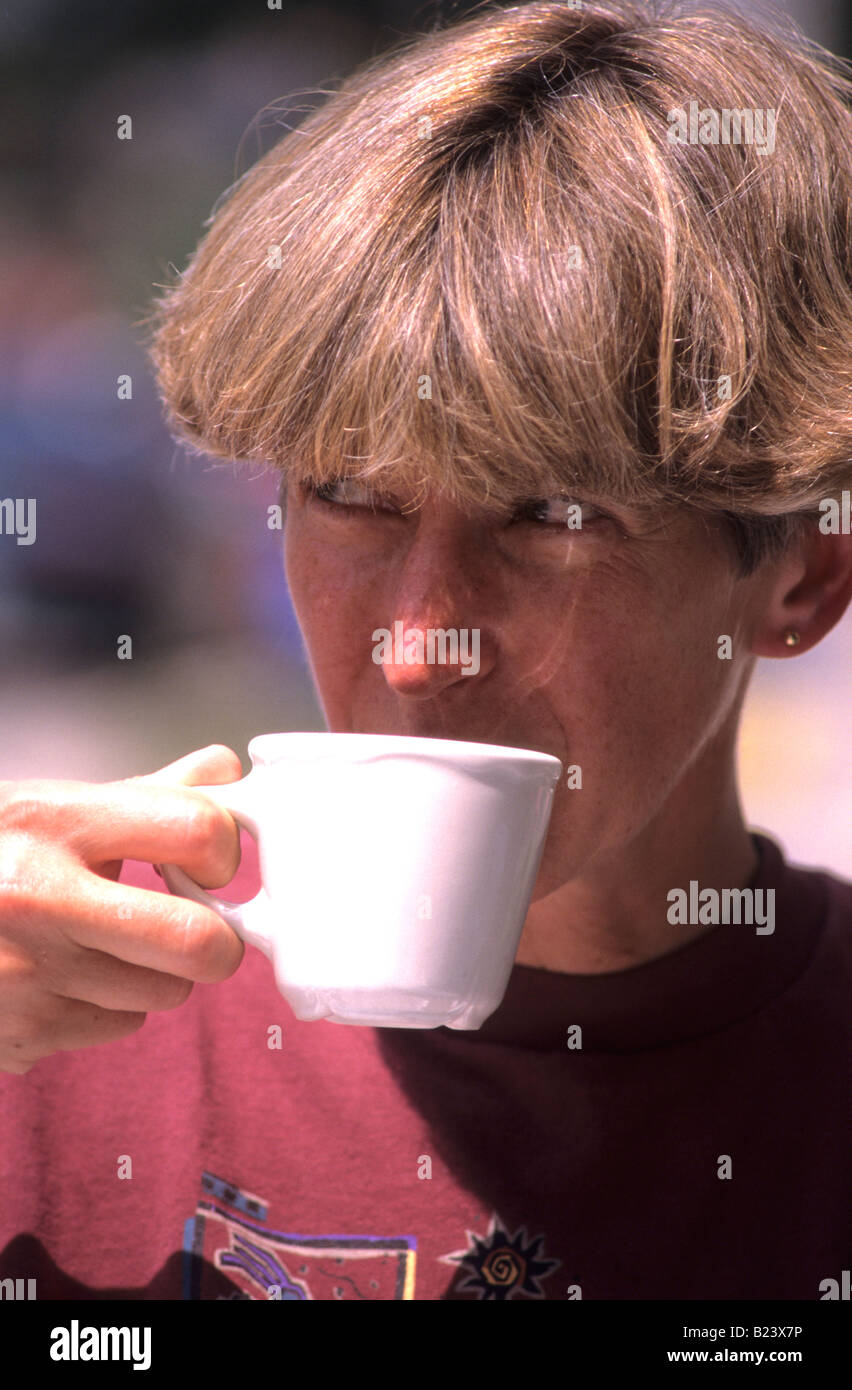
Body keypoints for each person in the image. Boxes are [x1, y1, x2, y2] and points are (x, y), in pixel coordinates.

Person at [1, 0, 851, 1301]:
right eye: (350, 494)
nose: (414, 641)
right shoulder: (52, 1005)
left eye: (552, 515)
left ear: (802, 576)